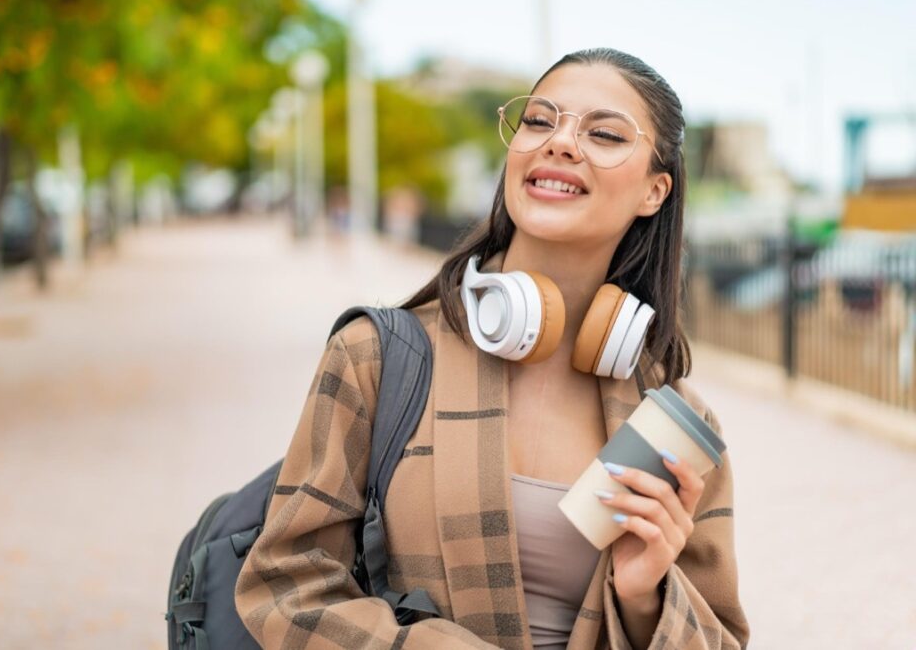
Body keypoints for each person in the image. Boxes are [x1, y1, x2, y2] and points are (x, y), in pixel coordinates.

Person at [235, 48, 749, 650]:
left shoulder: (671, 424)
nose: (559, 142)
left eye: (604, 133)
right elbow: (283, 585)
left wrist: (644, 599)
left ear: (655, 191)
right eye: (538, 120)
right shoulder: (376, 359)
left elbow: (721, 637)